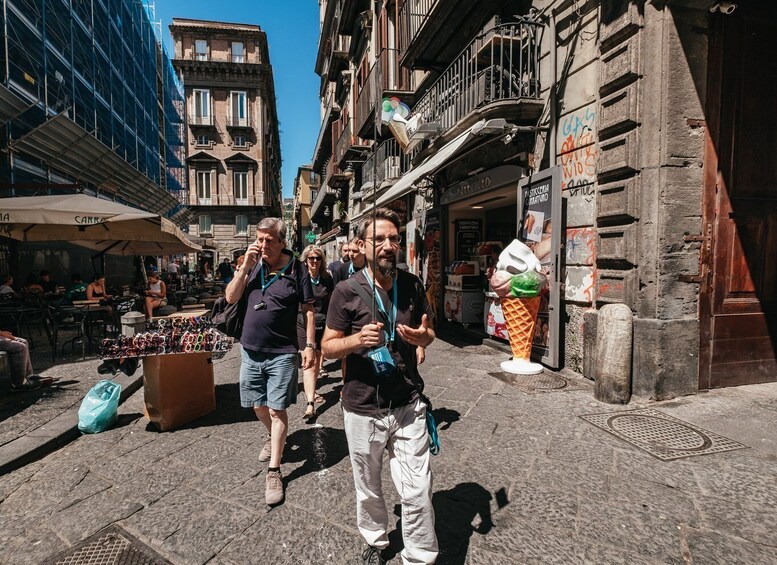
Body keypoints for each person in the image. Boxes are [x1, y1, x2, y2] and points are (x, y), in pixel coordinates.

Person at [321, 208, 438, 565]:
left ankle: (419, 556)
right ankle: (376, 538)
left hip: (407, 401)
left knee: (418, 489)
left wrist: (422, 338)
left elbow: (429, 332)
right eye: (379, 239)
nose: (388, 246)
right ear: (362, 246)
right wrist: (356, 341)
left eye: (394, 239)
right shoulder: (346, 290)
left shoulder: (412, 285)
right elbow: (327, 345)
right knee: (368, 485)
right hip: (362, 405)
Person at [225, 217, 315, 506]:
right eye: (259, 239)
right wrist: (243, 269)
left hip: (282, 352)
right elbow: (230, 298)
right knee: (257, 405)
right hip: (250, 350)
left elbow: (309, 310)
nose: (262, 245)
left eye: (268, 240)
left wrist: (309, 345)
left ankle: (274, 470)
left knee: (277, 410)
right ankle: (273, 437)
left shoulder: (297, 269)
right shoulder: (252, 266)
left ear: (282, 242)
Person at [297, 245, 334, 420]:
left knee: (318, 359)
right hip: (303, 324)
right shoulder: (299, 278)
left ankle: (312, 389)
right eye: (311, 258)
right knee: (309, 361)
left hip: (323, 324)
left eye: (317, 258)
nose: (314, 261)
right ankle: (310, 403)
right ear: (305, 260)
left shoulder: (327, 278)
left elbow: (332, 300)